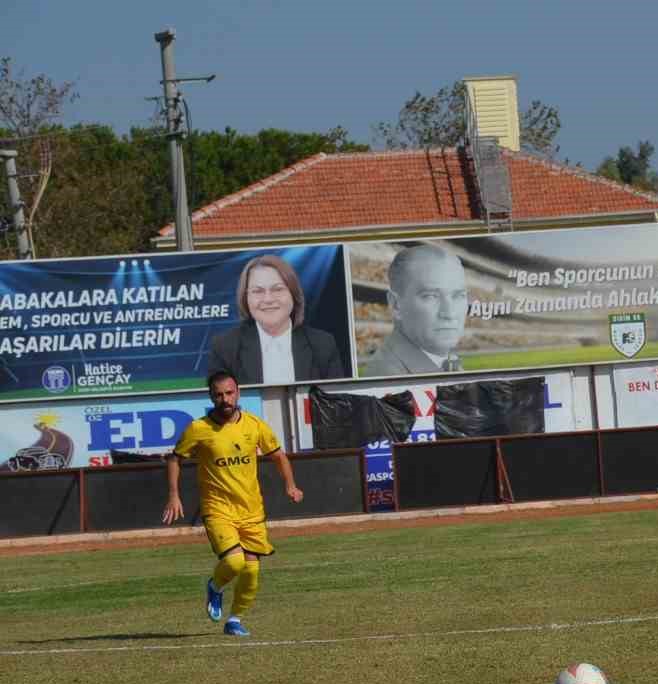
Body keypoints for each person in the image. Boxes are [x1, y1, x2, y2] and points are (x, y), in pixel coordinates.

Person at [162, 370, 303, 637]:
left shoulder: (254, 425)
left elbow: (279, 456)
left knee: (251, 571)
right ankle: (215, 586)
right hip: (218, 510)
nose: (224, 399)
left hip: (251, 510)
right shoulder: (198, 429)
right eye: (218, 395)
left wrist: (291, 485)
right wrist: (173, 495)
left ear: (238, 393)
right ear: (211, 397)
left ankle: (235, 620)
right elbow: (174, 458)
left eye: (229, 393)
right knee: (235, 563)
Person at [208, 255, 346, 384]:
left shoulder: (323, 345)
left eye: (277, 289)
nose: (268, 299)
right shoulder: (224, 347)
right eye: (258, 291)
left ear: (293, 294)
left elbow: (337, 405)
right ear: (246, 298)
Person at [365, 243, 470, 376]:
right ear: (396, 305)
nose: (449, 313)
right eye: (431, 296)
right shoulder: (391, 377)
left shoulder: (442, 362)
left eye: (458, 295)